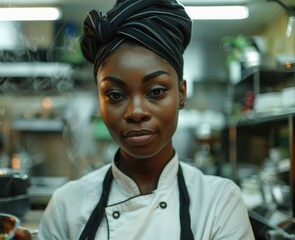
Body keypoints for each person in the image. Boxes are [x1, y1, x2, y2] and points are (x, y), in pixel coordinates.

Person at [38, 0, 255, 239]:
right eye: (115, 95)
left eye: (156, 91)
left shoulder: (219, 203)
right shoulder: (65, 206)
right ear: (99, 102)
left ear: (181, 94)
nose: (136, 112)